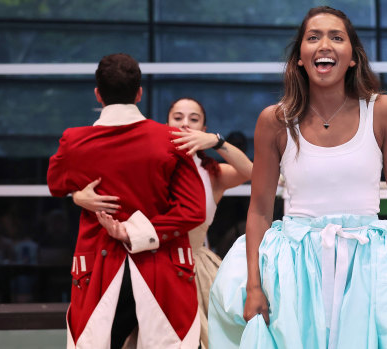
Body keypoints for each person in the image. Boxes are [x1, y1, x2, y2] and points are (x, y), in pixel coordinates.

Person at [208, 6, 387, 348]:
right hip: (294, 270)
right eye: (313, 37)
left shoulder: (382, 110)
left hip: (370, 266)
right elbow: (260, 210)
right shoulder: (274, 120)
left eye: (336, 37)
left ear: (352, 57)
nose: (324, 45)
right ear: (299, 58)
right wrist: (253, 284)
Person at [47, 53, 206, 349]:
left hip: (98, 266)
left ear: (98, 94)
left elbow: (55, 184)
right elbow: (193, 210)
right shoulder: (170, 140)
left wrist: (78, 195)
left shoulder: (74, 142)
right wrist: (140, 232)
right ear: (139, 93)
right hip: (162, 266)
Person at [72, 97, 253, 349]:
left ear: (203, 127)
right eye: (177, 118)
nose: (185, 125)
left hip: (192, 267)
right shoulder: (150, 166)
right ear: (165, 123)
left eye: (194, 119)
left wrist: (217, 142)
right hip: (147, 262)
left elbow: (252, 172)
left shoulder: (213, 173)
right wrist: (78, 196)